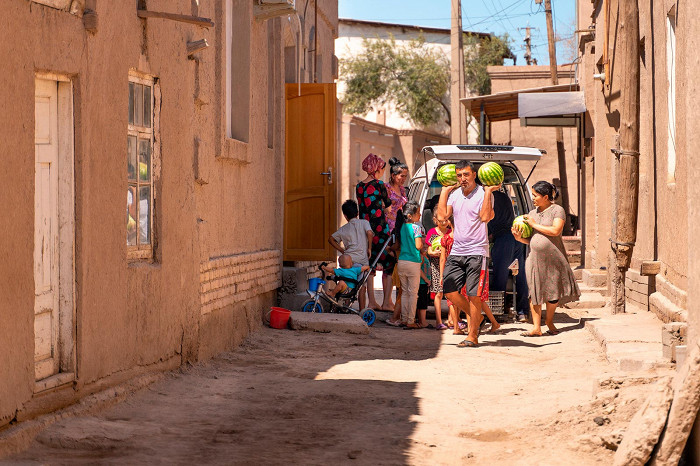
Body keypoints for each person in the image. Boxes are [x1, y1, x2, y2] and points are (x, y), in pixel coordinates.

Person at [437, 160, 500, 348]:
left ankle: (472, 335)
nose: (462, 179)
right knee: (449, 290)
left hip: (477, 251)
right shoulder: (455, 195)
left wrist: (489, 192)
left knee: (474, 295)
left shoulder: (483, 193)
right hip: (457, 251)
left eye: (466, 174)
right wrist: (444, 191)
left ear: (474, 175)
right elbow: (442, 217)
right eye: (459, 175)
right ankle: (477, 318)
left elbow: (485, 217)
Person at [513, 181, 580, 337]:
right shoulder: (532, 213)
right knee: (534, 291)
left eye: (535, 195)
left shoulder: (557, 210)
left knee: (552, 293)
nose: (533, 198)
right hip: (534, 258)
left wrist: (534, 224)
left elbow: (555, 231)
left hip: (553, 258)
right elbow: (531, 239)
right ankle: (537, 327)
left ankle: (549, 321)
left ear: (545, 196)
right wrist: (519, 238)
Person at [356, 153, 394, 311]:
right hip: (380, 228)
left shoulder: (359, 186)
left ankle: (371, 301)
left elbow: (362, 207)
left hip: (365, 229)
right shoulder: (380, 185)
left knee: (369, 265)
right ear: (377, 168)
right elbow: (388, 206)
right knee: (389, 263)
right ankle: (386, 302)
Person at [489, 189, 530, 322]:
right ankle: (523, 311)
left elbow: (488, 221)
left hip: (503, 239)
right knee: (520, 275)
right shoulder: (504, 196)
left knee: (500, 276)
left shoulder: (487, 197)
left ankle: (497, 312)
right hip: (515, 237)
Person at [328, 200, 374, 309]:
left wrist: (342, 250)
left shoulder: (343, 229)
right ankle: (362, 310)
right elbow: (369, 233)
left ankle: (346, 306)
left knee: (348, 284)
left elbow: (330, 239)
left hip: (348, 262)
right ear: (357, 213)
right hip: (362, 262)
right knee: (361, 287)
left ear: (345, 215)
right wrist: (369, 248)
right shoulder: (364, 223)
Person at [395, 201, 424, 329]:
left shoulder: (401, 227)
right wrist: (423, 246)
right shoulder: (416, 228)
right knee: (413, 293)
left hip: (401, 262)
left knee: (405, 292)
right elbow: (418, 246)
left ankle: (404, 318)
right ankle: (411, 321)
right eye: (418, 213)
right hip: (413, 263)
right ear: (410, 216)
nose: (420, 214)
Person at [426, 213, 451, 330]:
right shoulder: (432, 233)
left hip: (450, 265)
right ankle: (439, 321)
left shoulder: (451, 232)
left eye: (446, 220)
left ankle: (452, 320)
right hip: (436, 266)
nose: (444, 223)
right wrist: (434, 253)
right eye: (442, 220)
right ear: (435, 220)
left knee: (452, 295)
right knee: (439, 293)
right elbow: (428, 250)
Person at [415, 243, 432, 328]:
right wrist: (426, 279)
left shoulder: (425, 256)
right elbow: (418, 269)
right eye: (423, 245)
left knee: (421, 302)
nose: (425, 247)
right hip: (422, 283)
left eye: (427, 245)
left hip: (424, 283)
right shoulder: (420, 256)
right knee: (423, 303)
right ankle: (423, 321)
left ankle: (421, 320)